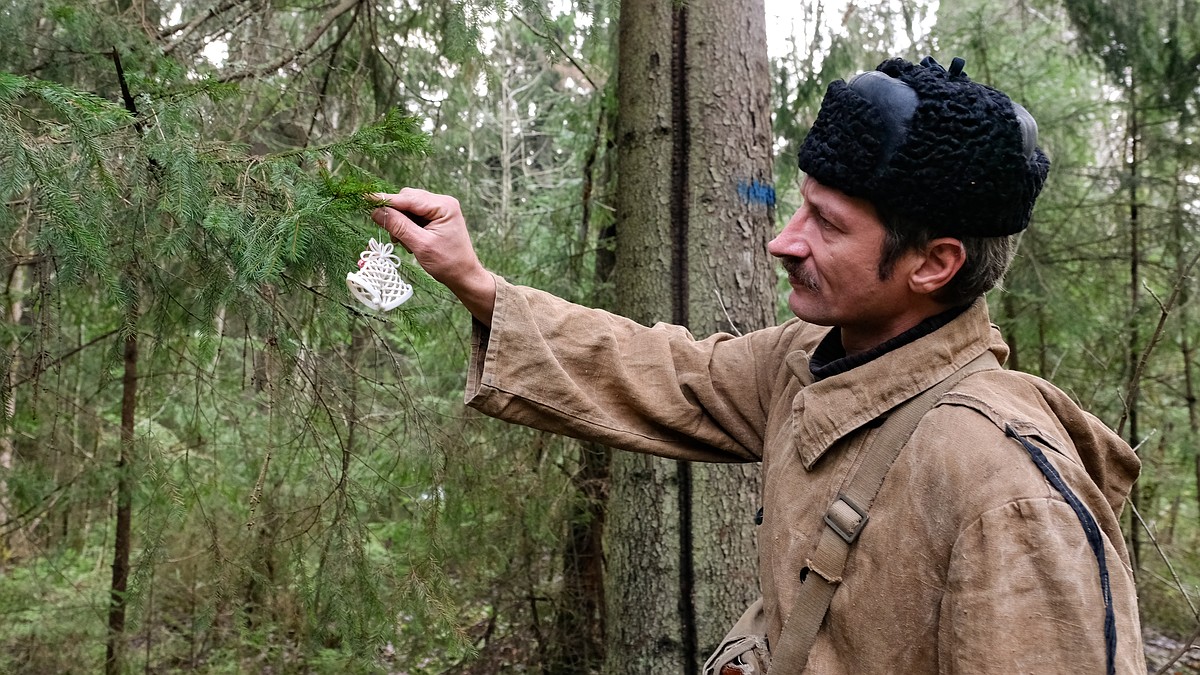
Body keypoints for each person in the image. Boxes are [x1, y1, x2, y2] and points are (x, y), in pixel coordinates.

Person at [371, 56, 1146, 673]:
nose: (784, 239)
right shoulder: (811, 362)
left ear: (934, 264)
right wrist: (475, 283)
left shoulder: (1008, 487)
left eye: (828, 224)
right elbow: (660, 368)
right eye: (798, 203)